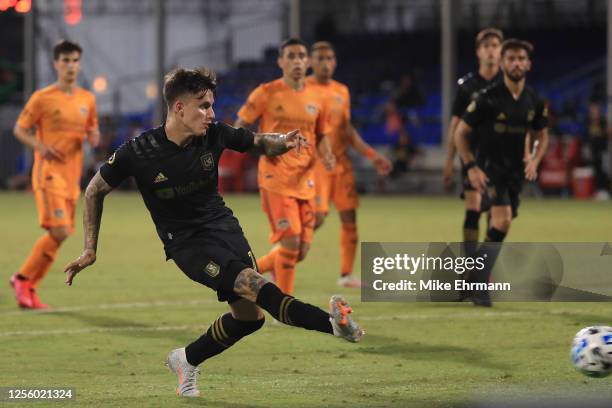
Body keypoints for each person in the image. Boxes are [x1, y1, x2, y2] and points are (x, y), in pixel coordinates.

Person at [64, 67, 363, 398]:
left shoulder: (215, 134)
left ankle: (185, 359)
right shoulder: (139, 151)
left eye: (212, 105)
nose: (211, 113)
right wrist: (90, 248)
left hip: (224, 228)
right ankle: (334, 325)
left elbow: (258, 142)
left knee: (250, 319)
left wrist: (284, 141)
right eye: (203, 105)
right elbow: (93, 190)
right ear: (179, 108)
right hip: (188, 245)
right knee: (260, 287)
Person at [234, 38, 335, 295]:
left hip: (305, 179)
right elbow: (238, 128)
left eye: (301, 56)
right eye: (291, 56)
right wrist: (260, 145)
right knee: (290, 242)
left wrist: (327, 155)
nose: (297, 61)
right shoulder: (266, 93)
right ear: (280, 62)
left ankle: (247, 276)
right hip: (275, 176)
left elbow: (321, 135)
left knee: (299, 251)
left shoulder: (318, 98)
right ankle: (285, 305)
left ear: (308, 61)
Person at [455, 39, 549, 306]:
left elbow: (542, 133)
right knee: (503, 220)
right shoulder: (487, 97)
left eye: (521, 59)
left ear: (528, 64)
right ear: (503, 63)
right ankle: (479, 284)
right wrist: (471, 166)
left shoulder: (534, 100)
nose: (516, 63)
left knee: (501, 226)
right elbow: (461, 133)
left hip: (515, 172)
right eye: (511, 59)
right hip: (489, 168)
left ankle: (473, 277)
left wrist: (534, 158)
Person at [11, 39, 99, 309]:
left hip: (72, 177)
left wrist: (94, 136)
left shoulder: (87, 99)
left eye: (74, 61)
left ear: (79, 64)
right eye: (65, 61)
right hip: (48, 174)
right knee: (59, 231)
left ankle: (28, 285)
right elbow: (20, 129)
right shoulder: (42, 98)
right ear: (56, 64)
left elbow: (92, 129)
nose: (70, 66)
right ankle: (23, 279)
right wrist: (39, 146)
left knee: (62, 233)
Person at [306, 41, 392, 288]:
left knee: (349, 218)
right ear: (311, 62)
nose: (325, 63)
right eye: (320, 58)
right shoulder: (304, 89)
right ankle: (281, 261)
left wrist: (373, 155)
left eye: (330, 58)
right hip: (317, 164)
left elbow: (347, 131)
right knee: (317, 217)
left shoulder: (341, 91)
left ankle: (345, 275)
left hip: (342, 165)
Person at [443, 28, 503, 247]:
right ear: (478, 52)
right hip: (472, 154)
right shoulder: (467, 87)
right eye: (486, 46)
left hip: (499, 156)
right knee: (473, 208)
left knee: (497, 213)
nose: (491, 51)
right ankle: (470, 267)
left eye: (495, 46)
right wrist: (449, 160)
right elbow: (455, 125)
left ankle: (485, 268)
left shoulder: (507, 85)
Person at [584, 100, 610, 199]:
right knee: (596, 170)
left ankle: (605, 191)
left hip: (602, 151)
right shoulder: (588, 122)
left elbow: (607, 134)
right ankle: (599, 190)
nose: (592, 111)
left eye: (594, 109)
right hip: (593, 151)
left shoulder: (602, 121)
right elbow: (588, 137)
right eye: (591, 109)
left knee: (603, 170)